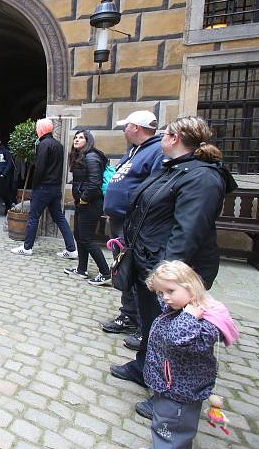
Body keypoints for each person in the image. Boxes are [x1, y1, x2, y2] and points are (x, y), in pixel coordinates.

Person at [109, 116, 236, 421]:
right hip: (149, 261)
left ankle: (168, 396)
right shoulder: (175, 167)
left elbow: (188, 230)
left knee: (174, 334)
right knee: (152, 323)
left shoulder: (202, 177)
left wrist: (168, 277)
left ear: (176, 137)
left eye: (165, 134)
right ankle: (143, 367)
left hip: (172, 271)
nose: (161, 138)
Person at [143, 261, 238, 449]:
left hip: (180, 391)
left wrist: (189, 317)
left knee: (172, 432)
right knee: (163, 424)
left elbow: (177, 339)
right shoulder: (179, 310)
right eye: (161, 293)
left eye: (170, 291)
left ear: (190, 288)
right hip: (168, 385)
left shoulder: (203, 323)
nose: (165, 298)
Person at [101, 111, 163, 351]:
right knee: (122, 268)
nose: (123, 130)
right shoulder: (136, 150)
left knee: (135, 270)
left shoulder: (155, 151)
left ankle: (142, 323)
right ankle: (128, 315)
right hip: (120, 219)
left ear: (136, 127)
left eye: (125, 126)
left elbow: (154, 188)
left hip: (134, 223)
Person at [10, 118, 77, 258]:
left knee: (33, 217)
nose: (36, 130)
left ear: (41, 129)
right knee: (59, 217)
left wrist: (34, 186)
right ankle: (71, 249)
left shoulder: (43, 144)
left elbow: (40, 168)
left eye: (37, 128)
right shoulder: (58, 145)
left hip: (43, 187)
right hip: (55, 188)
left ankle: (27, 247)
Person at [63, 129, 110, 281]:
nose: (76, 140)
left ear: (88, 140)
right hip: (83, 203)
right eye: (75, 137)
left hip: (90, 204)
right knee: (79, 236)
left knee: (87, 239)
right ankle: (81, 269)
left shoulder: (91, 157)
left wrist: (84, 199)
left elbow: (94, 183)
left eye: (81, 138)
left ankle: (105, 272)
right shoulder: (81, 156)